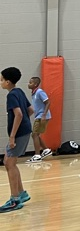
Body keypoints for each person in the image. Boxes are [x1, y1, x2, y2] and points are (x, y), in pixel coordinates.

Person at [1, 66, 32, 211]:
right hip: (24, 131)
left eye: (1, 80)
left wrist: (12, 136)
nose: (0, 82)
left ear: (8, 82)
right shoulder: (19, 91)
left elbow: (19, 114)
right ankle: (21, 193)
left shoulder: (11, 95)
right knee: (8, 161)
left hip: (19, 134)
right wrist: (25, 122)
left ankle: (14, 200)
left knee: (10, 163)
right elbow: (30, 110)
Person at [27, 75, 53, 162]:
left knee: (34, 135)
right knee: (36, 134)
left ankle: (37, 155)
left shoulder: (39, 92)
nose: (28, 84)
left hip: (42, 116)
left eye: (30, 82)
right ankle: (46, 150)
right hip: (38, 115)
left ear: (35, 84)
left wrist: (44, 115)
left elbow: (48, 102)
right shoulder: (34, 93)